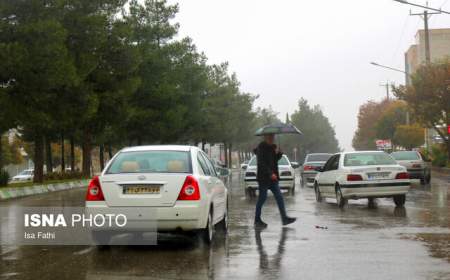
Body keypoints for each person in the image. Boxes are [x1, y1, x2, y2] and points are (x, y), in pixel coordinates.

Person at [254, 134, 296, 228]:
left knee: (279, 197)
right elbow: (261, 163)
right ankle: (257, 220)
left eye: (273, 137)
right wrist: (270, 173)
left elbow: (274, 161)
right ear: (265, 138)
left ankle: (284, 218)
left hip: (273, 179)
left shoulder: (272, 148)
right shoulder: (261, 148)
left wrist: (280, 154)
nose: (272, 139)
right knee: (262, 198)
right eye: (270, 137)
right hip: (264, 178)